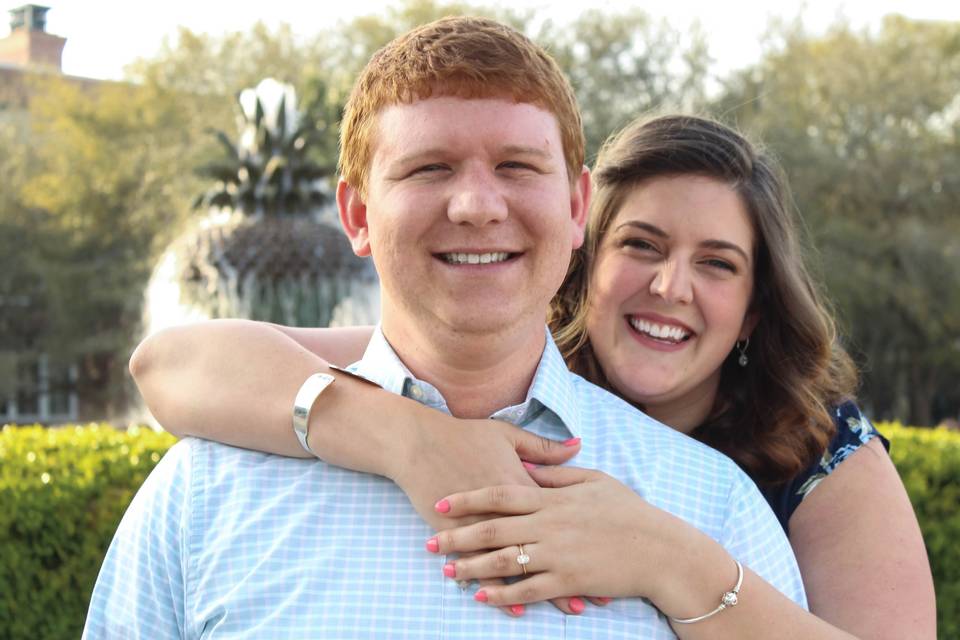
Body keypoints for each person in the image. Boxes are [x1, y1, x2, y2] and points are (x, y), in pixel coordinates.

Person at [84, 17, 808, 639]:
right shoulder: (206, 489)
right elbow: (166, 362)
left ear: (577, 205)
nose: (475, 206)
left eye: (517, 167)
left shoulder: (708, 508)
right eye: (429, 168)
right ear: (358, 216)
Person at [128, 107, 936, 639]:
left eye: (717, 264)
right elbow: (171, 361)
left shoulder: (816, 456)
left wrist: (666, 556)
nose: (670, 287)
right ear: (583, 247)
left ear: (756, 309)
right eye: (643, 246)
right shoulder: (504, 364)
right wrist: (410, 439)